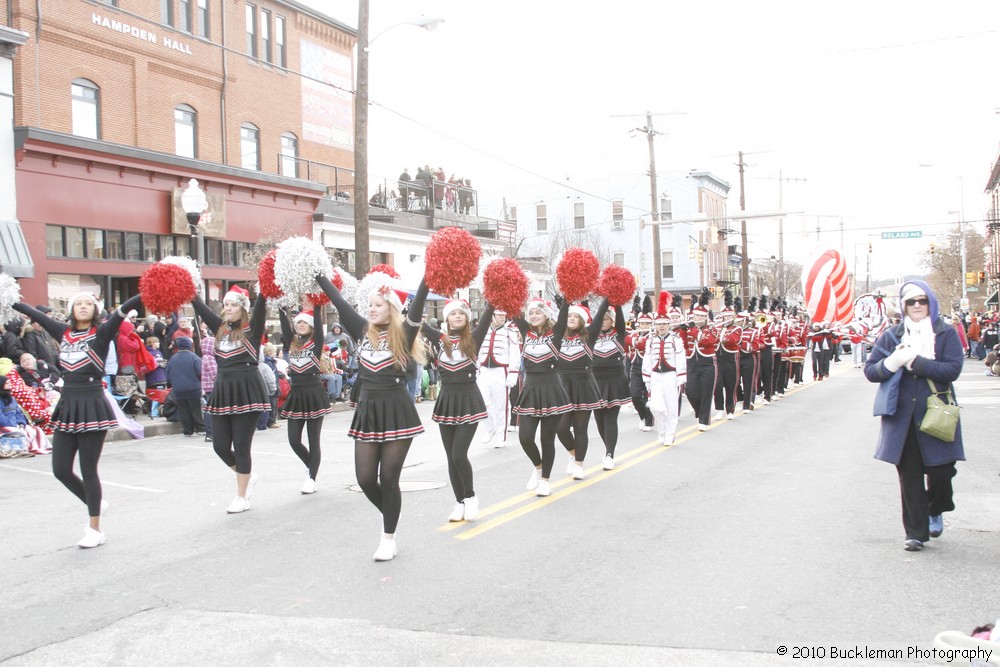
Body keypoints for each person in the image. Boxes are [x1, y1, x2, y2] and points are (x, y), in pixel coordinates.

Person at [12, 291, 143, 547]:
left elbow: (125, 308)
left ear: (95, 310)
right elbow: (33, 312)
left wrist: (147, 291)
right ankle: (95, 501)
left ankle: (95, 529)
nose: (83, 307)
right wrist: (10, 299)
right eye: (78, 304)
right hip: (68, 404)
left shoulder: (103, 332)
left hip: (92, 402)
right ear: (71, 310)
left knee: (88, 469)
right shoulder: (63, 332)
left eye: (88, 304)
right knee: (60, 469)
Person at [317, 271, 428, 561]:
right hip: (368, 411)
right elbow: (339, 303)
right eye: (370, 304)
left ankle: (387, 537)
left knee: (389, 479)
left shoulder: (404, 334)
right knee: (366, 479)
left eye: (378, 304)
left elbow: (417, 306)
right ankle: (392, 514)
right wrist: (319, 273)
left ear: (391, 308)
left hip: (397, 411)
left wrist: (429, 273)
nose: (371, 309)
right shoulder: (362, 331)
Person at [864, 280, 964, 552]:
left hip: (936, 411)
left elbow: (952, 369)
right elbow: (871, 371)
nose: (917, 306)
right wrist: (891, 362)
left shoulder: (945, 333)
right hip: (902, 416)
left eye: (922, 301)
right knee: (909, 475)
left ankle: (936, 507)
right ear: (904, 306)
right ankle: (916, 533)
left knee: (942, 470)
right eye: (911, 302)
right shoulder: (892, 335)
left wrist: (916, 362)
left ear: (930, 303)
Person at [191, 286, 270, 514]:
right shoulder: (220, 328)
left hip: (247, 388)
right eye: (226, 305)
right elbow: (201, 308)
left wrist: (264, 288)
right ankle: (247, 475)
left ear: (243, 308)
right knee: (219, 446)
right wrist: (189, 291)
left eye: (233, 305)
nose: (228, 308)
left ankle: (241, 496)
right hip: (223, 389)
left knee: (241, 446)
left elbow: (261, 307)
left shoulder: (252, 329)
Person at [424, 299, 492, 522]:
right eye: (452, 313)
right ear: (446, 319)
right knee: (450, 458)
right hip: (447, 401)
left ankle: (471, 498)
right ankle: (459, 502)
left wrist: (494, 292)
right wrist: (404, 312)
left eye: (461, 313)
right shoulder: (440, 341)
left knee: (458, 454)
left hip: (469, 399)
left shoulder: (474, 338)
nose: (457, 316)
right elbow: (418, 325)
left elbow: (487, 314)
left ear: (467, 317)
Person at [513, 298, 573, 497]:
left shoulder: (555, 334)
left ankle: (545, 480)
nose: (533, 316)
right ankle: (538, 467)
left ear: (546, 315)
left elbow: (563, 317)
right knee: (525, 438)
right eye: (530, 313)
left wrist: (567, 296)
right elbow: (513, 309)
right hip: (530, 390)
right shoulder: (525, 332)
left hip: (551, 391)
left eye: (537, 312)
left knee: (547, 439)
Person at [278, 308, 333, 494]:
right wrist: (280, 306)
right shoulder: (292, 343)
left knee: (313, 439)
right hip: (296, 394)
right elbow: (285, 327)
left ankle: (311, 478)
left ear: (311, 326)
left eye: (305, 322)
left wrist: (317, 306)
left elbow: (319, 324)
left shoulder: (316, 343)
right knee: (293, 440)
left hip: (314, 393)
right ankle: (311, 465)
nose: (301, 325)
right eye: (298, 322)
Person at [556, 301, 607, 480]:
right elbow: (561, 314)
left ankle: (579, 465)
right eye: (569, 315)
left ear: (583, 320)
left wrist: (609, 296)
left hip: (584, 385)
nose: (571, 318)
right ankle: (573, 453)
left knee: (580, 428)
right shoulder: (558, 335)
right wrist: (566, 298)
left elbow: (600, 315)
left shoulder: (589, 336)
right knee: (560, 428)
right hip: (562, 385)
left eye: (575, 316)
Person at [642, 293, 687, 446]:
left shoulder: (676, 339)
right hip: (655, 376)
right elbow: (647, 360)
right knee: (656, 407)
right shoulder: (650, 341)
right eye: (658, 324)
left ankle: (670, 434)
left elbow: (680, 358)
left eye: (663, 324)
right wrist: (647, 378)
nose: (661, 326)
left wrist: (680, 377)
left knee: (672, 407)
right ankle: (662, 432)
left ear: (668, 325)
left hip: (671, 376)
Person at [591, 301, 631, 470]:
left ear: (612, 321)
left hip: (614, 380)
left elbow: (621, 320)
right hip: (595, 381)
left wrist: (617, 302)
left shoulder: (618, 333)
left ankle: (609, 454)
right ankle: (608, 447)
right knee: (599, 419)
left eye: (607, 320)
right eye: (601, 320)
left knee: (610, 418)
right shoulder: (591, 336)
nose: (603, 323)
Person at [476, 309, 521, 447]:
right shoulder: (482, 331)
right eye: (499, 315)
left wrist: (512, 375)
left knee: (502, 406)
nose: (503, 317)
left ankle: (501, 436)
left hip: (501, 371)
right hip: (484, 371)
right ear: (492, 316)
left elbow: (515, 354)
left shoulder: (509, 333)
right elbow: (477, 351)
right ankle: (490, 428)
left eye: (504, 314)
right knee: (482, 403)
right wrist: (477, 371)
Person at [166, 337, 204, 437]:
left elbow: (168, 374)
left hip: (178, 389)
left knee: (184, 410)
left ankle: (188, 430)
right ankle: (200, 428)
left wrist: (172, 384)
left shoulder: (173, 358)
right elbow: (200, 372)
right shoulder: (194, 357)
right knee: (195, 409)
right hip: (193, 388)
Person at [144, 337, 168, 417]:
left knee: (161, 394)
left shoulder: (158, 352)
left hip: (161, 375)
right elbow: (148, 364)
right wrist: (158, 364)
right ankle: (153, 411)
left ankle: (160, 410)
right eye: (157, 342)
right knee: (155, 395)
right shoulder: (148, 352)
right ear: (152, 343)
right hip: (154, 377)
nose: (159, 343)